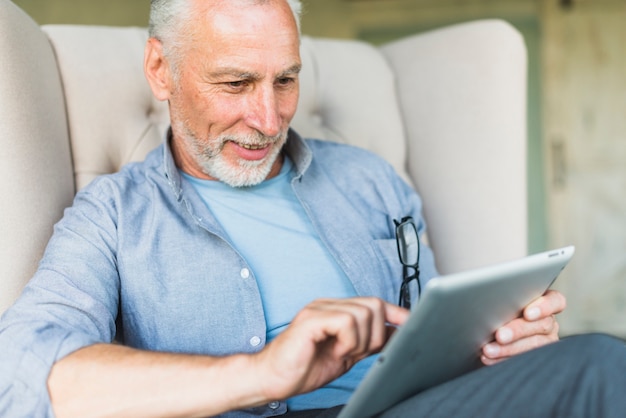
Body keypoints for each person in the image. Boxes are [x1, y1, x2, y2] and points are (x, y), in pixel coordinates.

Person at [0, 0, 625, 417]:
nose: (268, 120)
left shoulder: (371, 180)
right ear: (161, 70)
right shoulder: (112, 213)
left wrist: (498, 346)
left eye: (285, 80)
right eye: (236, 83)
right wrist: (262, 372)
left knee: (591, 365)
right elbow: (21, 373)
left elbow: (434, 339)